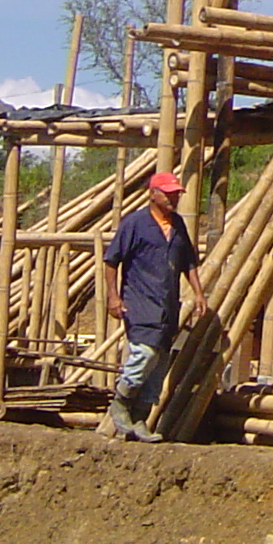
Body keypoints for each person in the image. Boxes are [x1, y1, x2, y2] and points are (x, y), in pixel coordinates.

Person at [100, 170, 208, 442]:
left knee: (159, 364)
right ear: (153, 194)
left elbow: (188, 262)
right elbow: (112, 260)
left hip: (167, 304)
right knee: (144, 353)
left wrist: (198, 293)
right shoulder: (135, 223)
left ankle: (140, 420)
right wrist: (113, 297)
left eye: (176, 194)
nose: (173, 198)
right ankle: (121, 401)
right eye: (168, 194)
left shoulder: (178, 225)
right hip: (139, 301)